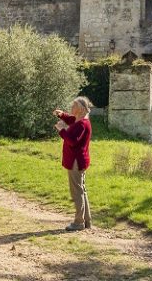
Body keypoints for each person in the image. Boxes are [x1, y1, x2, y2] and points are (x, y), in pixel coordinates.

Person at [54, 96, 93, 231]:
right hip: (79, 160)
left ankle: (79, 222)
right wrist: (62, 115)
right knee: (82, 190)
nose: (71, 108)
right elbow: (71, 120)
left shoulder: (82, 124)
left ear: (81, 109)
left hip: (76, 162)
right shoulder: (80, 120)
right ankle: (86, 221)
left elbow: (73, 141)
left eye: (74, 106)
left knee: (77, 192)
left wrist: (62, 130)